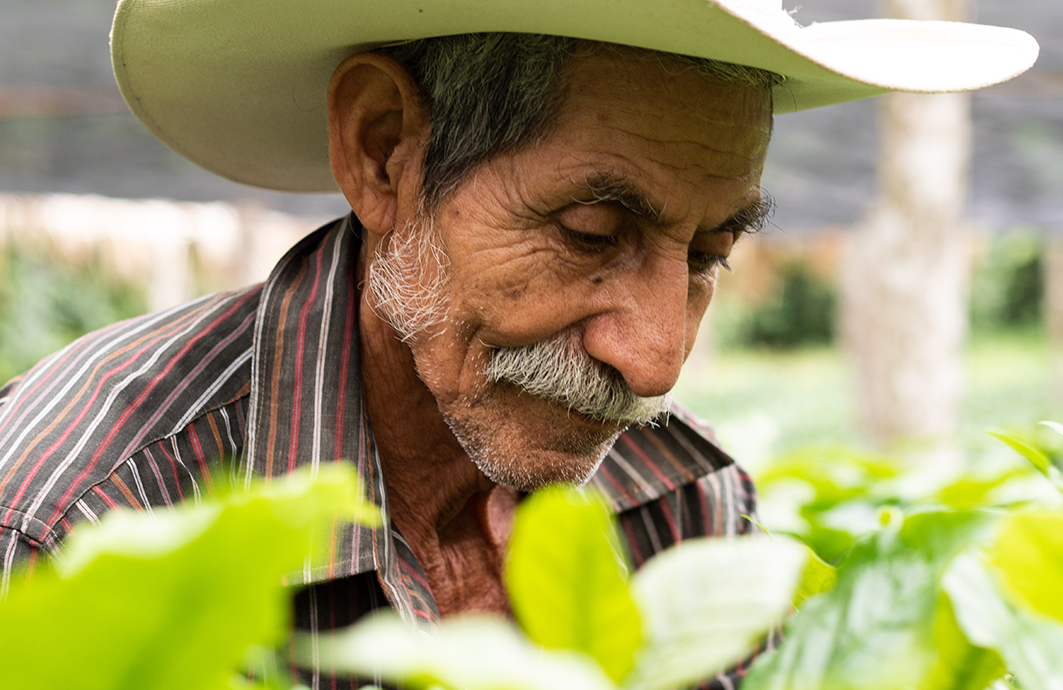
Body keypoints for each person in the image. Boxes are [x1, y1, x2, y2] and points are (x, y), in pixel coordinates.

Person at [0, 0, 1038, 686]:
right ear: (383, 152)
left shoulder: (682, 498)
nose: (658, 358)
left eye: (708, 252)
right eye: (590, 233)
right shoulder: (81, 511)